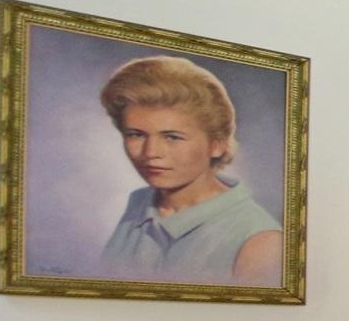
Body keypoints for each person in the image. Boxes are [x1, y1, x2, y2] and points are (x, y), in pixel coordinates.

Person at [97, 55, 283, 284]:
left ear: (217, 144)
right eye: (136, 135)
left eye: (172, 137)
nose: (150, 152)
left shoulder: (260, 241)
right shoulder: (139, 203)